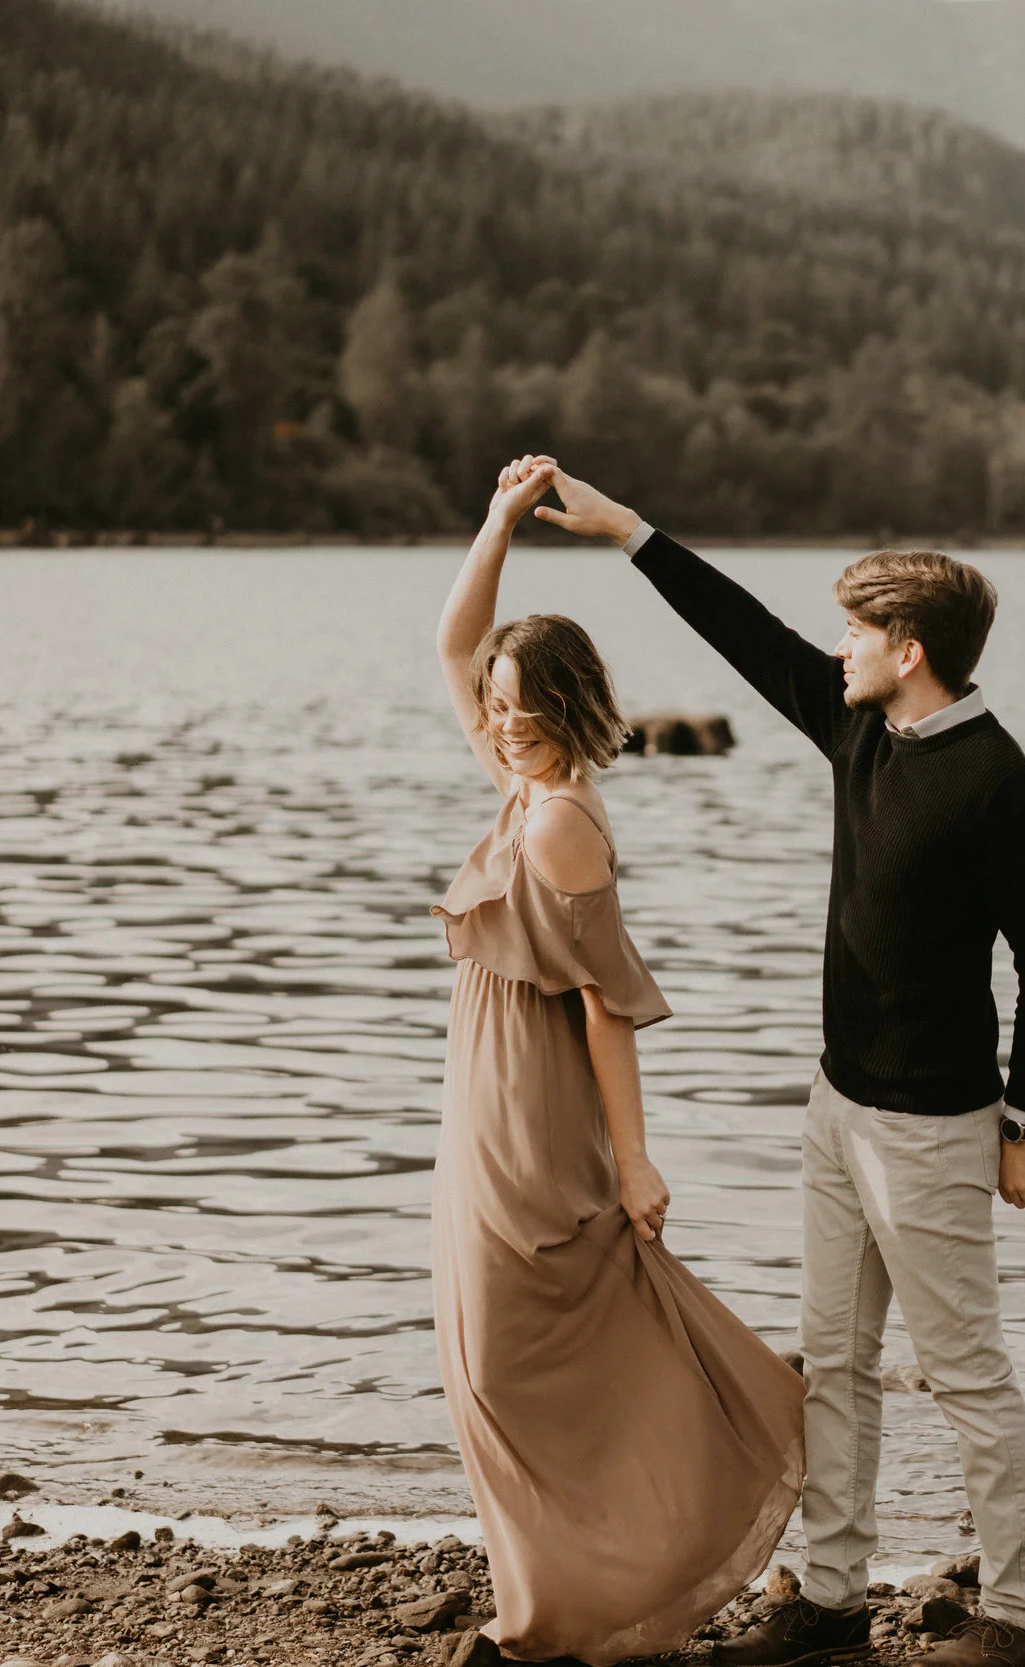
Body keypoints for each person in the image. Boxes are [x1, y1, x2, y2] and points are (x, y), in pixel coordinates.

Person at [535, 468, 1025, 1667]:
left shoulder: (1001, 787)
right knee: (833, 1360)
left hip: (936, 1126)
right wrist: (629, 530)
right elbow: (742, 631)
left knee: (964, 1371)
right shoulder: (858, 729)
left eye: (854, 630)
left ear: (910, 647)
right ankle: (831, 1602)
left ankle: (1021, 1618)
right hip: (837, 1104)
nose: (834, 647)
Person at [429, 455, 805, 1667]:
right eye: (493, 699)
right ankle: (555, 1596)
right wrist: (494, 525)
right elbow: (450, 648)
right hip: (478, 1106)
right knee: (482, 1362)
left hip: (534, 1116)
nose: (494, 714)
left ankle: (559, 1608)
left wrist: (634, 1159)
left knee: (511, 1353)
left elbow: (604, 1004)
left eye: (517, 701)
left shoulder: (563, 818)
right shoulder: (515, 782)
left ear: (567, 704)